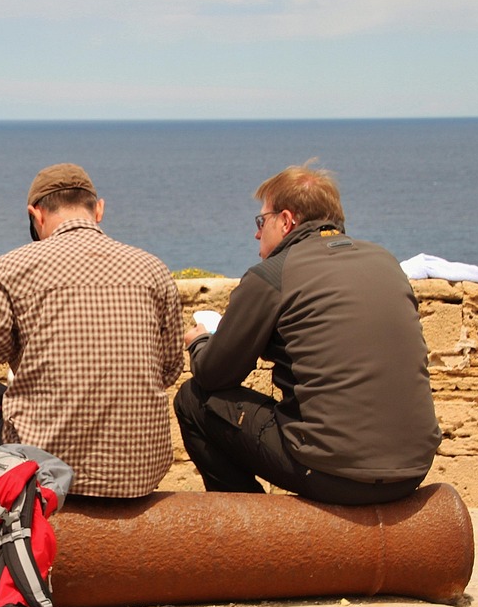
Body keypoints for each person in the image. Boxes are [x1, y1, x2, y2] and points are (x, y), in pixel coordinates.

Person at [173, 161, 441, 505]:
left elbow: (214, 374)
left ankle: (250, 534)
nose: (257, 233)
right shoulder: (385, 261)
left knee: (193, 400)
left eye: (262, 221)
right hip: (413, 468)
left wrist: (200, 343)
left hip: (335, 473)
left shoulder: (272, 275)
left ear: (286, 221)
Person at [0, 163, 185, 498]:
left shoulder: (12, 268)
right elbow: (170, 369)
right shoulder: (153, 269)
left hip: (45, 471)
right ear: (98, 209)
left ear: (36, 215)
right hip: (139, 475)